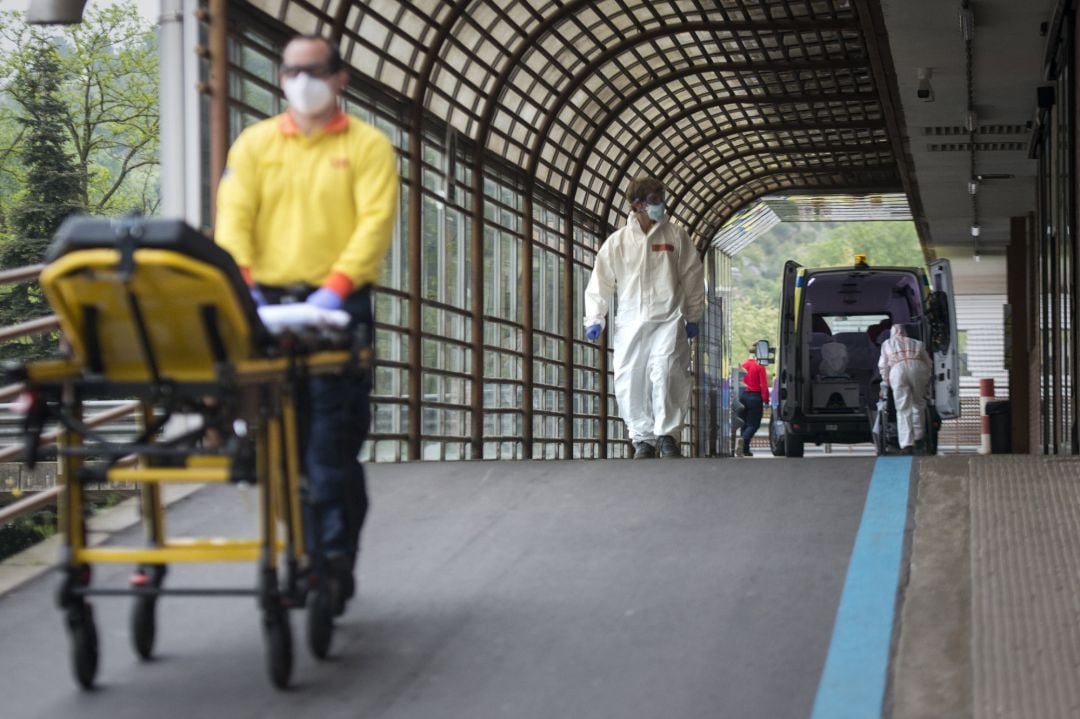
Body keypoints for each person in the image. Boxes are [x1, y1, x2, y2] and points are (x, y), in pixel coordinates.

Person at [215, 34, 398, 612]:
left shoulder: (368, 147)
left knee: (331, 439)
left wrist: (334, 290)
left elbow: (373, 224)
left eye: (314, 70)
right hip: (267, 305)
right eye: (292, 70)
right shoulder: (256, 145)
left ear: (340, 77)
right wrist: (243, 287)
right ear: (281, 77)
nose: (302, 80)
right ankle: (304, 551)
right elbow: (234, 217)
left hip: (340, 304)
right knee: (277, 438)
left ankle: (334, 556)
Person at [582, 176, 705, 459]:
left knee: (667, 372)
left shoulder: (675, 237)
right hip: (631, 323)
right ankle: (642, 439)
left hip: (668, 319)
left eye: (661, 197)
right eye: (654, 199)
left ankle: (668, 436)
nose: (661, 204)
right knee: (631, 379)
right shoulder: (618, 243)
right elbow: (600, 282)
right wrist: (594, 319)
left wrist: (693, 314)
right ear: (637, 205)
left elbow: (692, 276)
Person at [877, 323, 932, 454]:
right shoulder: (918, 343)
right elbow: (928, 363)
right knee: (919, 404)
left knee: (903, 408)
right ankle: (919, 438)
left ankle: (907, 444)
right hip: (919, 368)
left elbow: (883, 365)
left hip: (898, 370)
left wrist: (886, 382)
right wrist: (927, 379)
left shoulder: (887, 344)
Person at [739, 346, 770, 457]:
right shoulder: (759, 366)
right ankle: (743, 441)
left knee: (744, 423)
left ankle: (744, 449)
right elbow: (764, 385)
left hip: (743, 397)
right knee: (753, 424)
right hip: (755, 397)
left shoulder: (743, 365)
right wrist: (766, 399)